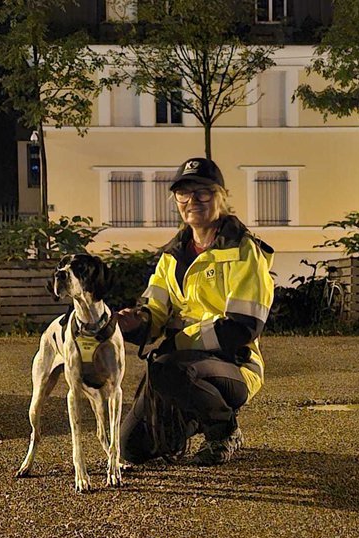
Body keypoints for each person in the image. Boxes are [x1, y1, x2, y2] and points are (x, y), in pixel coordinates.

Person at [116, 157, 275, 466]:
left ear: (222, 196)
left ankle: (224, 431)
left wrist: (179, 342)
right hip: (177, 364)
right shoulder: (171, 257)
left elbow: (243, 327)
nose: (192, 201)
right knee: (130, 449)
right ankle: (190, 418)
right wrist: (134, 322)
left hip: (234, 364)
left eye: (203, 192)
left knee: (167, 366)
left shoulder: (244, 251)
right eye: (183, 194)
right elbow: (154, 313)